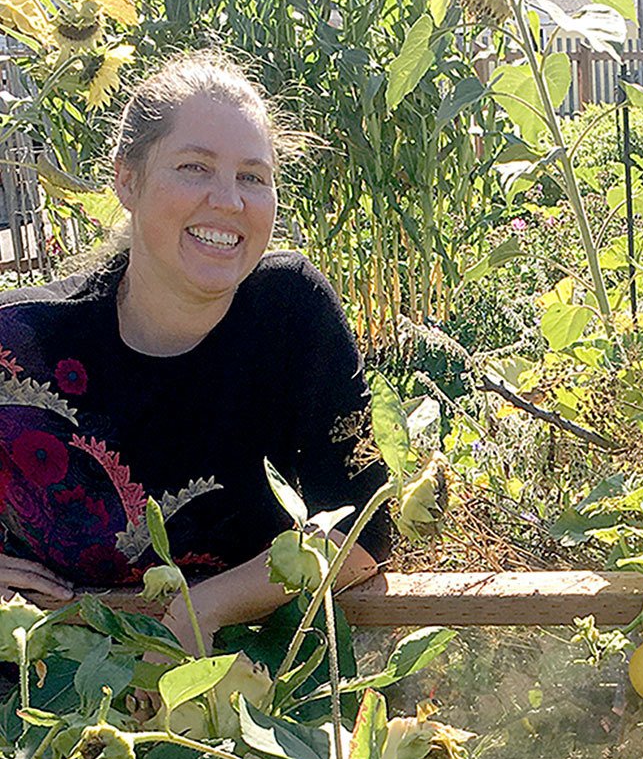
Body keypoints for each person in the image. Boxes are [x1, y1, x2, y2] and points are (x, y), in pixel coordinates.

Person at [0, 52, 388, 657]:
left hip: (251, 698)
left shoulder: (290, 316)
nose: (228, 201)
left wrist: (200, 611)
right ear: (127, 180)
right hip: (42, 702)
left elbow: (362, 532)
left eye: (253, 177)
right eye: (194, 167)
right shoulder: (21, 346)